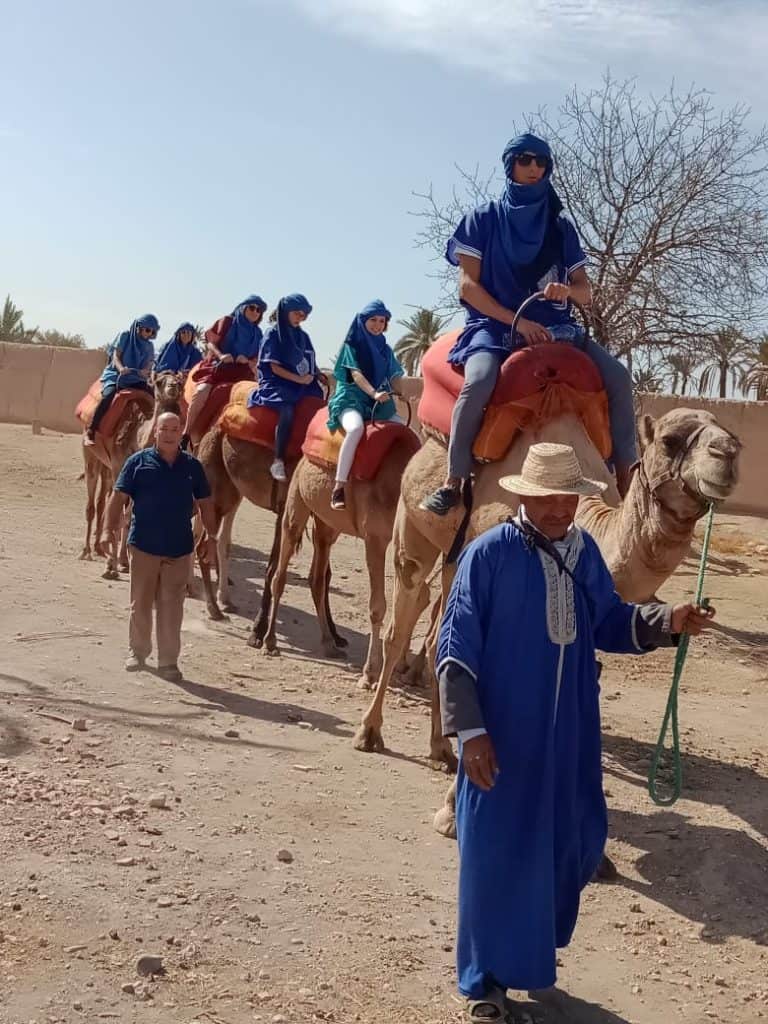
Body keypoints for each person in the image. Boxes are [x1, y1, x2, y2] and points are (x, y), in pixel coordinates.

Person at [436, 442, 715, 1022]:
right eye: (550, 498)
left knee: (564, 844)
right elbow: (455, 652)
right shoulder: (486, 557)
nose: (561, 508)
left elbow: (609, 619)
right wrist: (470, 733)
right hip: (502, 736)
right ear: (527, 496)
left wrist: (669, 620)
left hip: (569, 734)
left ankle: (526, 964)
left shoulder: (584, 552)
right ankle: (483, 984)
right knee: (494, 852)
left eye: (570, 497)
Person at [421, 133, 636, 516]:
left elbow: (586, 291)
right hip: (494, 328)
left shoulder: (560, 228)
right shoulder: (482, 220)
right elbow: (469, 288)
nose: (534, 168)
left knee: (618, 377)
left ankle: (626, 476)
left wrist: (566, 290)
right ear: (510, 165)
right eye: (525, 160)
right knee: (480, 380)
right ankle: (453, 480)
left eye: (541, 162)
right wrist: (517, 324)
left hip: (558, 330)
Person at [105, 412, 218, 682]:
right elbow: (118, 496)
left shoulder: (192, 466)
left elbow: (205, 503)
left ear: (181, 433)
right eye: (164, 428)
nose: (169, 434)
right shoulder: (137, 462)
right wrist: (107, 531)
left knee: (172, 607)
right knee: (140, 604)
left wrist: (211, 538)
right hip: (143, 545)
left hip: (179, 549)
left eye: (174, 429)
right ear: (155, 431)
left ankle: (168, 662)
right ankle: (138, 652)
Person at [326, 299, 406, 510]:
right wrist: (373, 392)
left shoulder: (385, 349)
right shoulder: (351, 346)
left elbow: (395, 373)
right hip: (351, 398)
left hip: (378, 402)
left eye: (382, 320)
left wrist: (399, 391)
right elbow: (356, 374)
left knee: (406, 431)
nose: (378, 324)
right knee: (355, 429)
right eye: (373, 320)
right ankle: (339, 486)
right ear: (363, 321)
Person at [248, 293, 323, 482]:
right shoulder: (273, 334)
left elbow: (309, 361)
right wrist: (298, 379)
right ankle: (278, 460)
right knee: (287, 409)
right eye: (298, 313)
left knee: (318, 405)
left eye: (304, 314)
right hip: (276, 382)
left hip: (300, 383)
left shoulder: (303, 336)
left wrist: (318, 373)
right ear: (286, 312)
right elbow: (274, 367)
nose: (301, 318)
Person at [181, 295, 267, 448]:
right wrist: (221, 355)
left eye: (259, 310)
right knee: (201, 392)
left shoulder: (258, 333)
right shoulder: (227, 322)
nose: (255, 312)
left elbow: (258, 358)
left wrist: (246, 360)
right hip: (218, 367)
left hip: (242, 372)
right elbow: (210, 343)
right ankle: (186, 433)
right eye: (252, 308)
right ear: (243, 307)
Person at [84, 314, 159, 444]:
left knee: (155, 397)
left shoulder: (149, 346)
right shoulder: (125, 336)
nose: (149, 334)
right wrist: (121, 368)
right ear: (138, 327)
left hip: (136, 378)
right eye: (147, 330)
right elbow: (116, 356)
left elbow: (149, 363)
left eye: (152, 331)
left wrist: (145, 371)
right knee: (108, 396)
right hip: (117, 375)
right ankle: (91, 430)